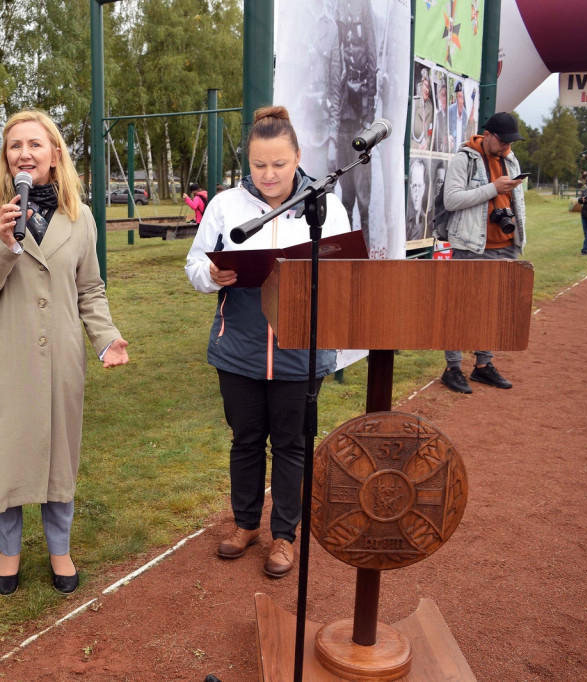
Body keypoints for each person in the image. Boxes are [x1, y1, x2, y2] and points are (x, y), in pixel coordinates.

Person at [0, 110, 129, 596]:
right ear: (6, 158)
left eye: (35, 144)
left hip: (59, 358)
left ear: (55, 154)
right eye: (15, 146)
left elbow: (90, 290)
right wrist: (4, 246)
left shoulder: (80, 216)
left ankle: (60, 548)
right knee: (4, 457)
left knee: (58, 458)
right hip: (3, 358)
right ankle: (8, 551)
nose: (24, 153)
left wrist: (106, 337)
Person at [185, 106, 350, 579]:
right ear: (248, 162)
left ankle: (284, 536)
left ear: (298, 156)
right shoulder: (225, 205)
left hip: (302, 350)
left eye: (279, 164)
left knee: (293, 445)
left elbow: (344, 268)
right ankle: (245, 525)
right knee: (246, 441)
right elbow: (195, 266)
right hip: (239, 347)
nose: (269, 174)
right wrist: (213, 275)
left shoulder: (326, 205)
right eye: (259, 165)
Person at [440, 112, 526, 394]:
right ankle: (452, 368)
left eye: (511, 142)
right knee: (461, 310)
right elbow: (451, 200)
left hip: (506, 245)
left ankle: (483, 366)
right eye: (503, 141)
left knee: (494, 311)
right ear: (487, 135)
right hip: (471, 247)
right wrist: (493, 188)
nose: (506, 147)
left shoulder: (510, 159)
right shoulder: (463, 159)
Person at [327, 0, 376, 239]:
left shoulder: (364, 12)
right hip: (344, 123)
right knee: (346, 197)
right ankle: (348, 248)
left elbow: (372, 62)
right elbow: (335, 78)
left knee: (363, 198)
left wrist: (369, 118)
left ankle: (364, 249)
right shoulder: (336, 18)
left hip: (360, 125)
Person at [406, 158, 430, 241]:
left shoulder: (428, 223)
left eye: (419, 186)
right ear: (410, 188)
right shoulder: (407, 223)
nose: (416, 192)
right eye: (414, 186)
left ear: (423, 188)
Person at [411, 67, 434, 151]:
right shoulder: (414, 103)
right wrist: (417, 146)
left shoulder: (430, 106)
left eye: (429, 88)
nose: (427, 90)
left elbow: (430, 131)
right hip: (412, 150)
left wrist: (427, 144)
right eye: (425, 86)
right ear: (420, 86)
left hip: (424, 151)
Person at [433, 76, 449, 153]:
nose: (444, 98)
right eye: (442, 95)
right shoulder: (437, 116)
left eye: (445, 95)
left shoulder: (452, 115)